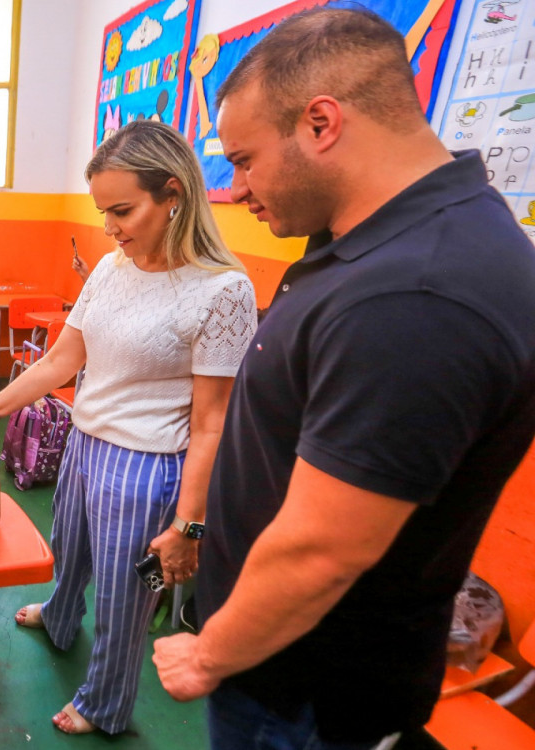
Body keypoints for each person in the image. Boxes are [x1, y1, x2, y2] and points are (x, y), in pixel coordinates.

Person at [151, 9, 535, 748]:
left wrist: (208, 654)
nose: (234, 189)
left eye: (244, 159)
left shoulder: (415, 296)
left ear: (321, 123)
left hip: (303, 699)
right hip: (283, 670)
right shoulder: (371, 243)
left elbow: (323, 549)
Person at [0, 119, 257, 735]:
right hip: (84, 441)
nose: (109, 228)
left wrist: (186, 525)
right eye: (103, 212)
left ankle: (105, 703)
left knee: (125, 599)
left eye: (121, 210)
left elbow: (211, 423)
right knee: (68, 547)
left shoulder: (224, 291)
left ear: (173, 195)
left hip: (148, 467)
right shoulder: (110, 267)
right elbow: (62, 362)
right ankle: (62, 614)